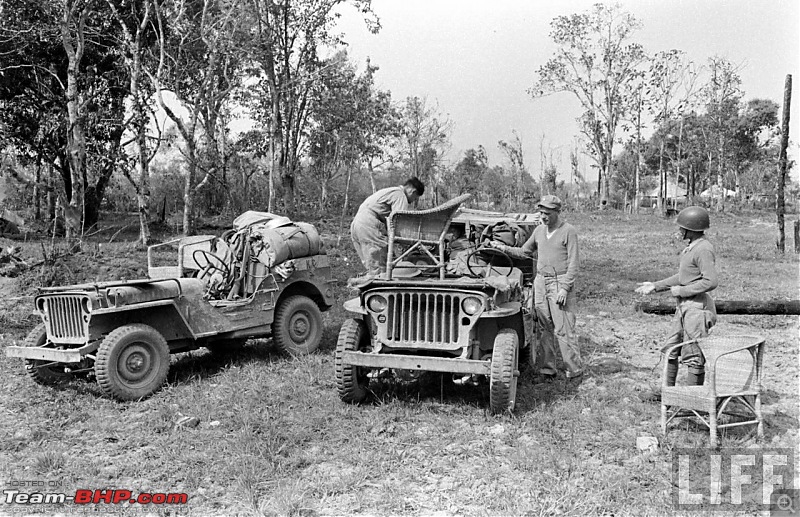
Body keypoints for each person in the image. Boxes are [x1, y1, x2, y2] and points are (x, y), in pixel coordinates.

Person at [488, 195, 583, 383]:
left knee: (564, 328)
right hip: (541, 281)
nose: (543, 216)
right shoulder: (539, 230)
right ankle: (548, 369)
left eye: (547, 213)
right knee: (544, 327)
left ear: (557, 212)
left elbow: (574, 264)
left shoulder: (568, 231)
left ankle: (574, 371)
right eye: (541, 212)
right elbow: (524, 252)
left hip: (559, 281)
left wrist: (564, 288)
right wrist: (502, 248)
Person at [635, 205, 718, 395]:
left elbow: (710, 281)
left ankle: (692, 400)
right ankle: (668, 394)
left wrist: (682, 291)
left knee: (693, 354)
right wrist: (656, 286)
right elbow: (683, 276)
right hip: (684, 307)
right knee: (671, 348)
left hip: (697, 308)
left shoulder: (704, 249)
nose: (680, 231)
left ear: (692, 228)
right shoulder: (692, 248)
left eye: (683, 227)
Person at [350, 177, 425, 276]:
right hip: (369, 222)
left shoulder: (391, 191)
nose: (413, 201)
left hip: (357, 222)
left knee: (371, 264)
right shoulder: (400, 196)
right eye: (415, 198)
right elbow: (398, 224)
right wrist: (411, 244)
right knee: (379, 264)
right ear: (413, 191)